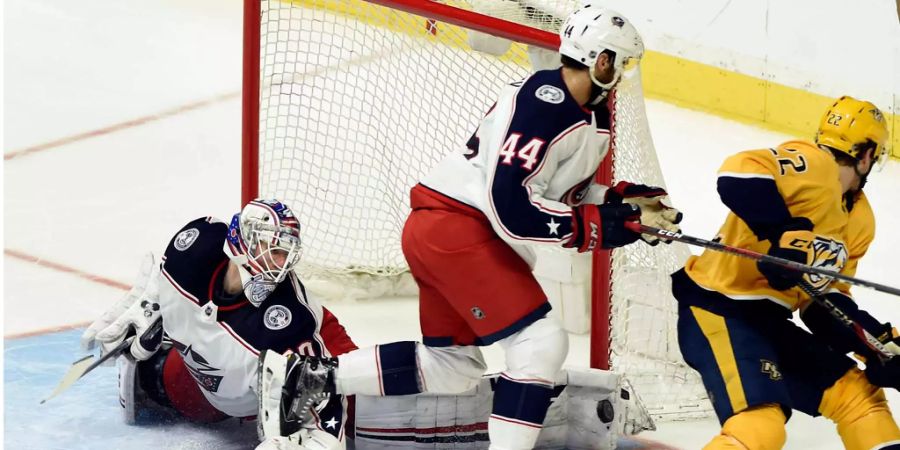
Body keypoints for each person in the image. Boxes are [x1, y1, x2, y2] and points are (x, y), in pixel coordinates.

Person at [260, 5, 682, 450]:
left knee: (452, 366)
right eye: (622, 63)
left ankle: (311, 378)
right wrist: (598, 225)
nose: (622, 74)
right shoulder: (544, 103)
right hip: (457, 229)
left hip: (446, 231)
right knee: (540, 343)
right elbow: (511, 208)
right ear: (602, 60)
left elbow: (554, 194)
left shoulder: (585, 114)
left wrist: (621, 206)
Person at [672, 96, 900, 449]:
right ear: (867, 155)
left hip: (770, 324)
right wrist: (782, 232)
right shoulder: (813, 163)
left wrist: (875, 344)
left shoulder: (860, 220)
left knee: (859, 397)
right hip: (718, 308)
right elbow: (737, 173)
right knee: (760, 425)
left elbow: (823, 300)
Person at [81, 199, 357, 449]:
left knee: (359, 401)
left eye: (286, 252)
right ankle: (154, 373)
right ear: (242, 239)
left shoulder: (293, 320)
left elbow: (318, 402)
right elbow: (172, 270)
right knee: (181, 385)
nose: (281, 262)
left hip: (306, 345)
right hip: (213, 379)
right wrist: (159, 300)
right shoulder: (198, 243)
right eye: (273, 248)